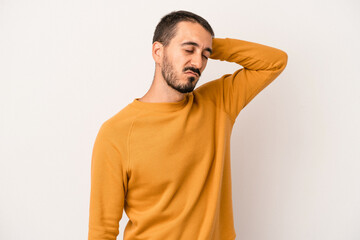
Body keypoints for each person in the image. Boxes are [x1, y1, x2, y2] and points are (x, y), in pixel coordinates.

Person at [88, 10, 288, 240]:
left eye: (205, 54)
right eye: (188, 49)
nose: (198, 62)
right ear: (158, 51)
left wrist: (210, 45)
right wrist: (202, 44)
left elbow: (275, 62)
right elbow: (101, 231)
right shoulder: (116, 133)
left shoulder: (218, 104)